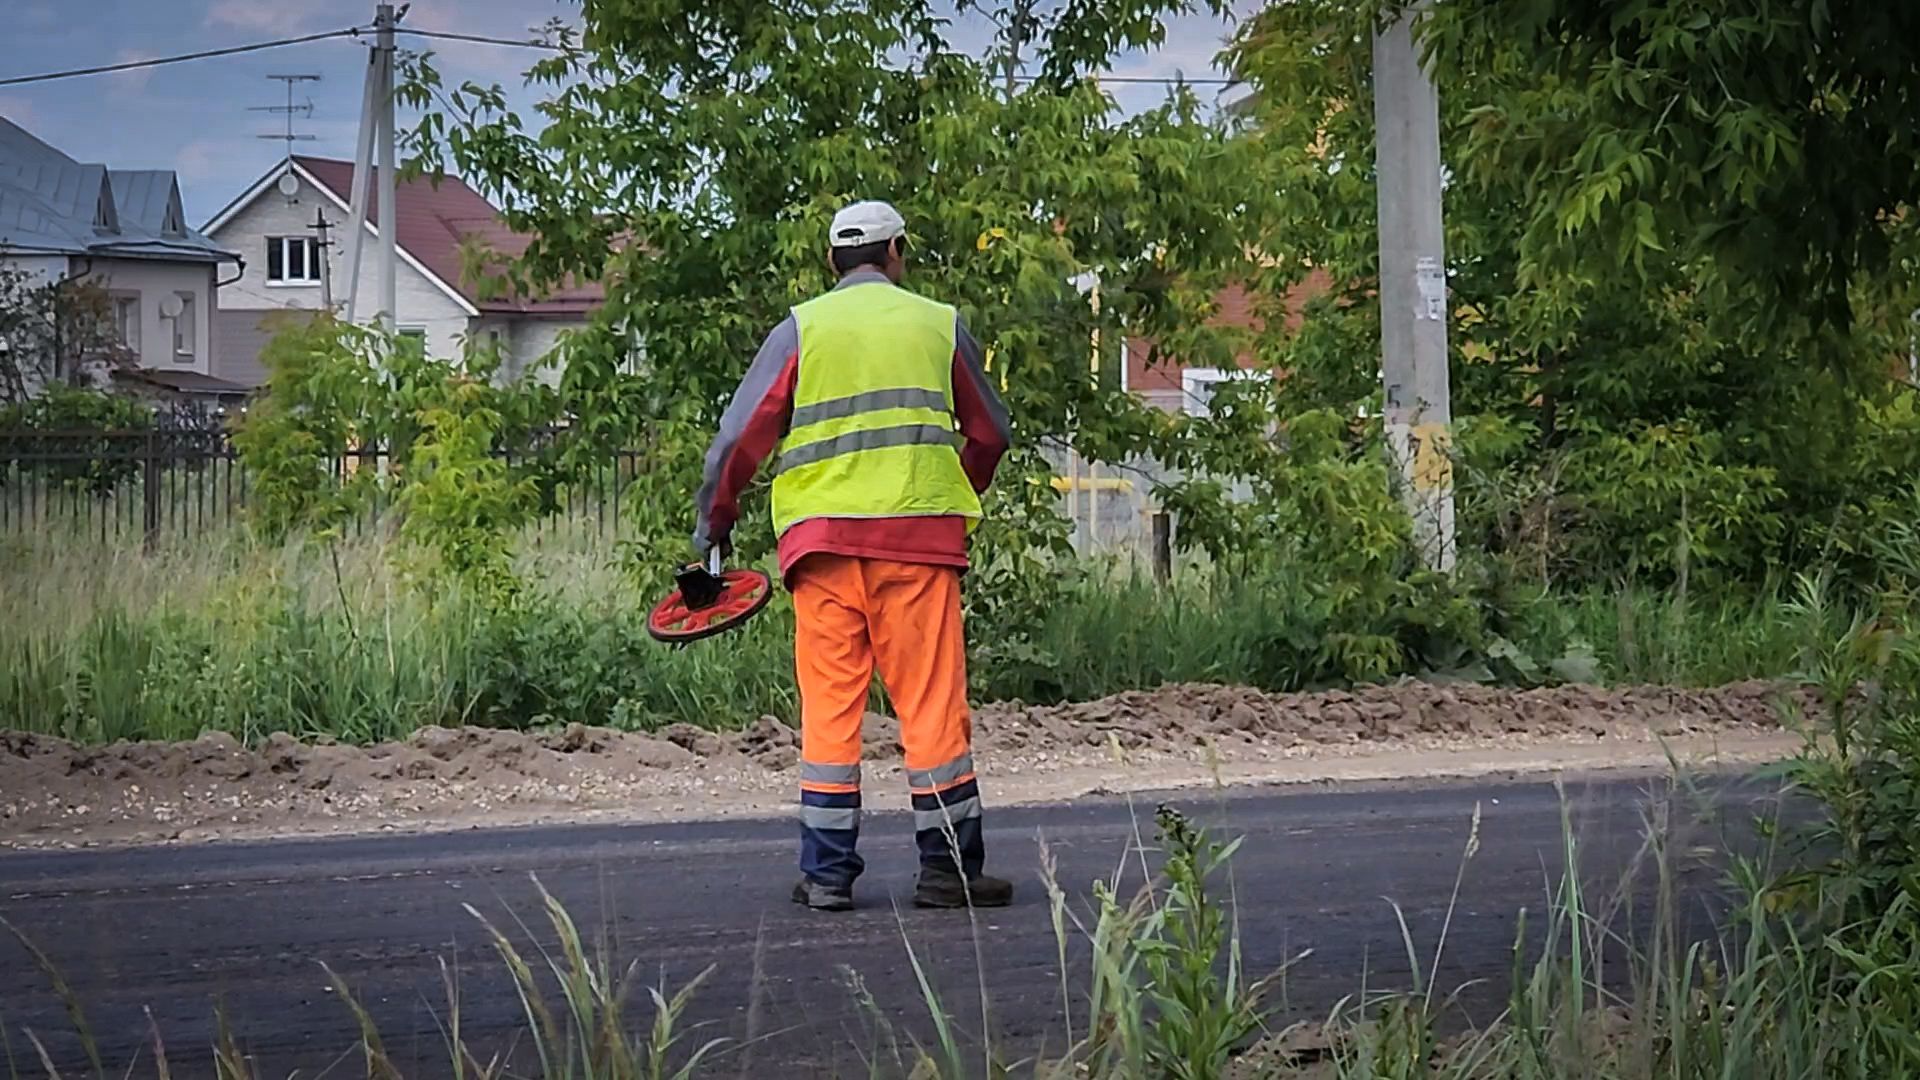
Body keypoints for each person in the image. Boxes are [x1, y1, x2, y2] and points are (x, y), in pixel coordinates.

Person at [693, 199, 1016, 912]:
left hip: (821, 552)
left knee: (831, 712)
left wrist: (714, 527)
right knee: (931, 708)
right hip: (919, 548)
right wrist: (953, 490)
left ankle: (828, 875)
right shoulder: (939, 323)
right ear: (896, 252)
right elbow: (992, 432)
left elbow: (737, 440)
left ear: (830, 262)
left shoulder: (801, 329)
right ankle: (949, 872)